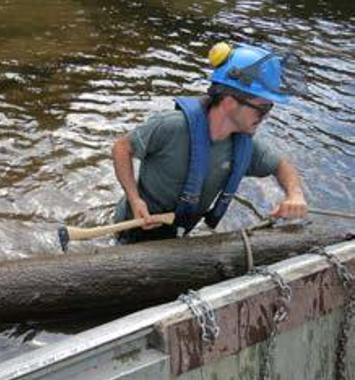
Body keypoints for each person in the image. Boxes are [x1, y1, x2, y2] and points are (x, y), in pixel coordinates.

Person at [112, 42, 308, 244]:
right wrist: (135, 200)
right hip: (131, 228)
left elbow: (282, 165)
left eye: (269, 108)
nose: (265, 116)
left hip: (174, 238)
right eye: (262, 108)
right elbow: (122, 148)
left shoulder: (244, 145)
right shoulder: (172, 126)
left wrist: (295, 195)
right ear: (230, 101)